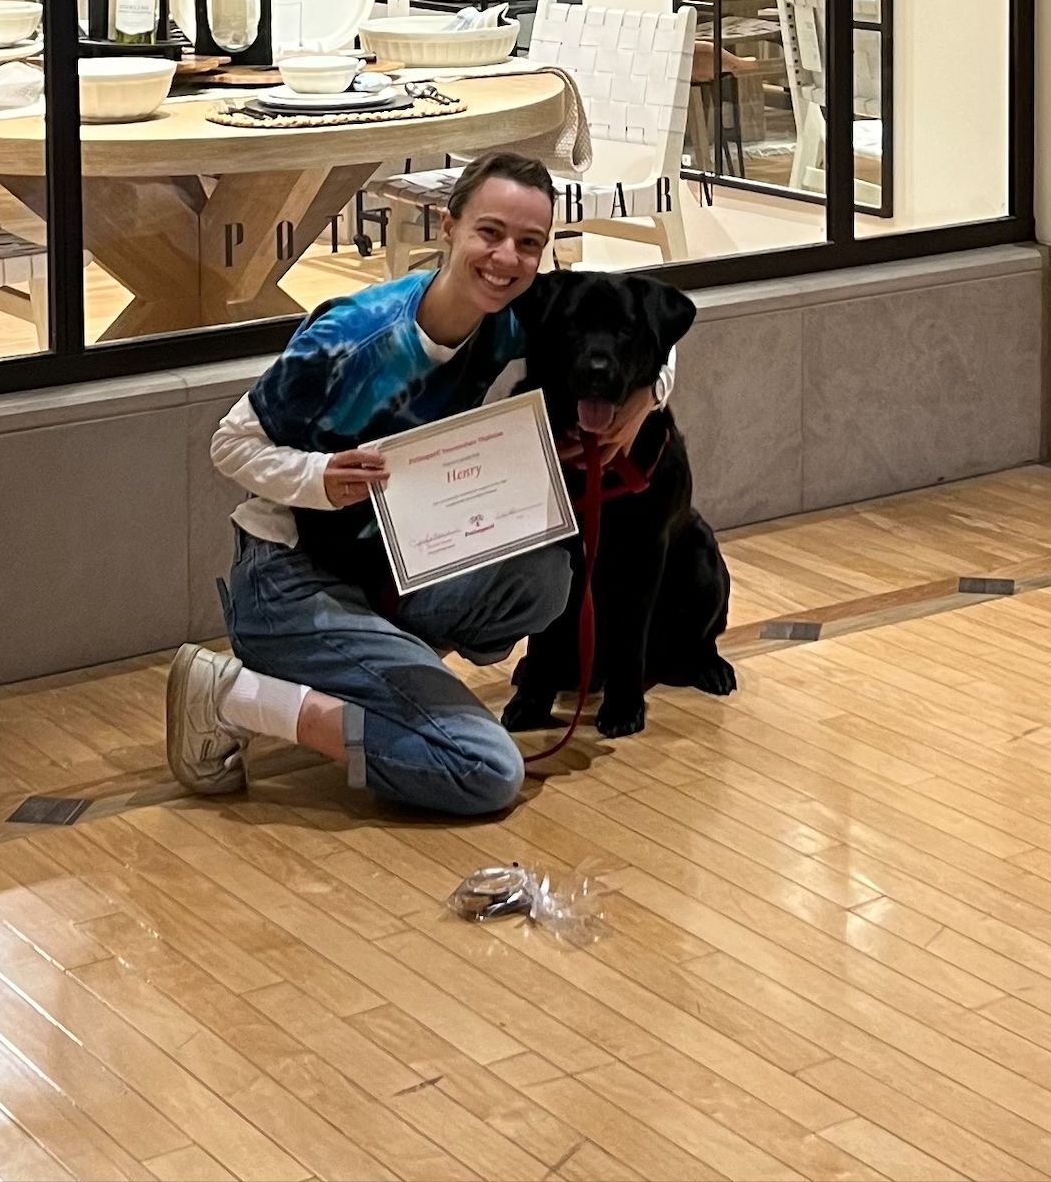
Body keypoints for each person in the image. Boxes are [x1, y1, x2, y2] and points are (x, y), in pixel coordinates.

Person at [166, 149, 675, 816]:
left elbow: (652, 323)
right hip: (290, 573)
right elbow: (227, 442)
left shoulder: (517, 316)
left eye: (529, 243)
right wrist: (321, 476)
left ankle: (377, 669)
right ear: (446, 226)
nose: (506, 258)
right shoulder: (352, 335)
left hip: (390, 559)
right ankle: (235, 698)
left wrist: (649, 395)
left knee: (544, 573)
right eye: (489, 233)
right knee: (484, 771)